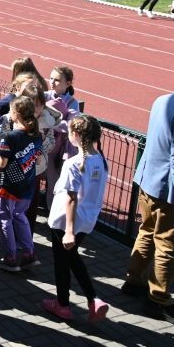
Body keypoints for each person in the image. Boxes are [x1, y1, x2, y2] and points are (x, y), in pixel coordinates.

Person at [122, 61, 174, 325]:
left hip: (148, 181)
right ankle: (158, 299)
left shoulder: (162, 101)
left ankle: (133, 280)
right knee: (169, 246)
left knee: (146, 231)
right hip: (168, 192)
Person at [41, 116, 111, 323]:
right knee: (71, 258)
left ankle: (63, 305)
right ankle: (93, 300)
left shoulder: (73, 163)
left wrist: (69, 231)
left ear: (77, 135)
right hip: (86, 220)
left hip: (65, 222)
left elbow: (71, 198)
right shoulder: (101, 161)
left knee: (62, 262)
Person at [0, 97, 42, 273]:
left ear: (16, 114)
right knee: (20, 215)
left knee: (4, 217)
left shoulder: (10, 137)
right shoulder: (37, 134)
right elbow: (38, 160)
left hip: (9, 186)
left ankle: (10, 257)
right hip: (27, 184)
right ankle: (29, 253)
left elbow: (2, 164)